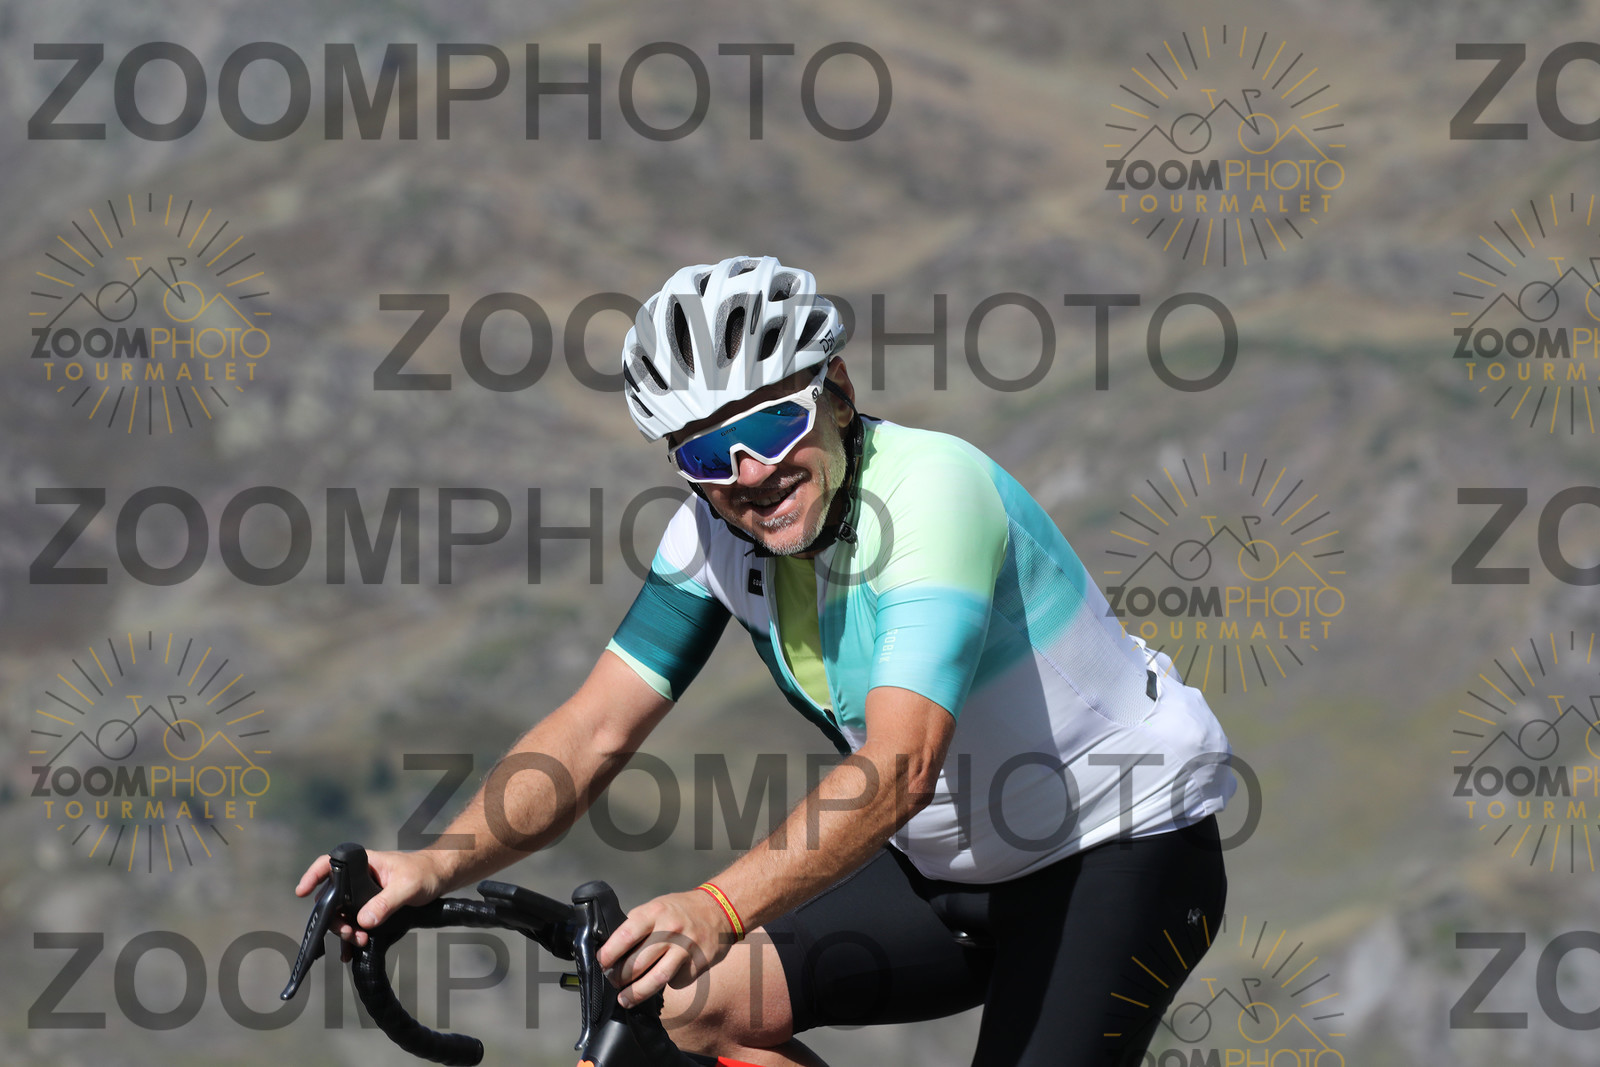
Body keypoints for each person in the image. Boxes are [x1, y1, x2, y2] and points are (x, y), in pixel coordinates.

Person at [296, 255, 1236, 1066]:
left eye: (777, 423)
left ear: (838, 391)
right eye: (709, 450)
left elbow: (901, 767)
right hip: (946, 869)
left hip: (1118, 845)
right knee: (675, 1011)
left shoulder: (933, 494)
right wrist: (435, 863)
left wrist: (717, 907)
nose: (751, 471)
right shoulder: (710, 537)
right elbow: (595, 729)